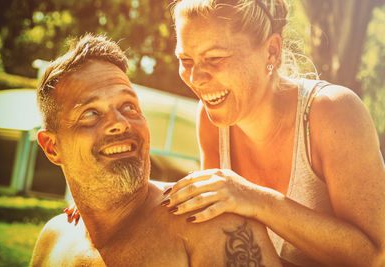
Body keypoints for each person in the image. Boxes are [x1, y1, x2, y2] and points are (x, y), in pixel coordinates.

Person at [160, 0, 385, 266]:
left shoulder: (332, 112)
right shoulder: (211, 121)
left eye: (215, 58)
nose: (196, 78)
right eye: (185, 60)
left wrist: (257, 200)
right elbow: (218, 236)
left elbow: (376, 255)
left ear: (271, 51)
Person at [30, 34, 281, 266]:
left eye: (128, 106)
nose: (119, 122)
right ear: (52, 147)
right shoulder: (53, 241)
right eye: (90, 113)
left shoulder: (217, 227)